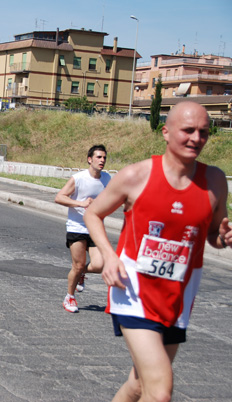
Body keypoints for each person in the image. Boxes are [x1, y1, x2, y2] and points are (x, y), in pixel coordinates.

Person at [84, 101, 231, 402]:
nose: (196, 138)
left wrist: (225, 237)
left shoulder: (214, 181)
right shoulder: (135, 176)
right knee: (160, 391)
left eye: (204, 132)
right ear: (166, 132)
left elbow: (214, 234)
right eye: (188, 130)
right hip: (134, 291)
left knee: (139, 385)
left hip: (178, 297)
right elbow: (92, 214)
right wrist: (109, 256)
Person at [54, 144, 110, 313]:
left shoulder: (107, 178)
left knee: (99, 264)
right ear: (89, 159)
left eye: (104, 158)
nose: (102, 160)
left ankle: (81, 274)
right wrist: (81, 203)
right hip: (77, 227)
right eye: (99, 157)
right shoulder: (78, 178)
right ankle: (69, 297)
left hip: (95, 227)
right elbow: (59, 197)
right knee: (77, 265)